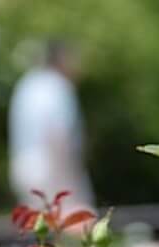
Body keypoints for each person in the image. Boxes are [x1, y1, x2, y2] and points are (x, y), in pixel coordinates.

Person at [8, 41, 94, 214]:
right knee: (76, 221)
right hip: (52, 168)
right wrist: (71, 183)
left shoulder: (27, 83)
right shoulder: (58, 85)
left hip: (23, 168)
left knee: (37, 226)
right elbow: (58, 135)